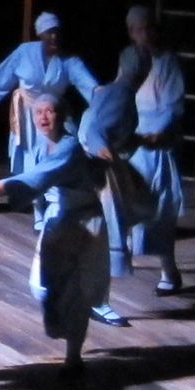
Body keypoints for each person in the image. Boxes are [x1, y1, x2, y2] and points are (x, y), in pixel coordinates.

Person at [0, 91, 109, 377]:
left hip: (83, 222)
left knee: (77, 290)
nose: (43, 117)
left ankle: (73, 357)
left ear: (62, 115)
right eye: (38, 112)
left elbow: (38, 178)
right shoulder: (42, 147)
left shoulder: (70, 147)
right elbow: (37, 185)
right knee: (42, 284)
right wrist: (39, 218)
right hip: (59, 219)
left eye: (50, 111)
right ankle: (65, 332)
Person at [0, 11, 99, 174]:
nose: (53, 37)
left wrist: (103, 95)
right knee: (29, 159)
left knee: (60, 153)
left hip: (53, 114)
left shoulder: (68, 61)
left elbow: (88, 83)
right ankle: (28, 185)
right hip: (28, 116)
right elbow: (2, 74)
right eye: (49, 33)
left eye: (56, 32)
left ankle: (58, 184)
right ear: (41, 34)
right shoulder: (25, 52)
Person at [77, 64, 156, 327]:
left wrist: (138, 140)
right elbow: (95, 131)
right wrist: (102, 150)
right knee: (102, 231)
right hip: (97, 168)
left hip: (100, 165)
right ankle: (96, 301)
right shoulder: (119, 94)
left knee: (99, 231)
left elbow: (109, 131)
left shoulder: (116, 92)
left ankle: (92, 298)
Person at [121, 5, 186, 294]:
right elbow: (120, 92)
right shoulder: (129, 58)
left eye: (148, 28)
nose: (144, 34)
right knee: (125, 200)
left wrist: (157, 134)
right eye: (138, 30)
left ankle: (169, 271)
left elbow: (173, 105)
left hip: (156, 140)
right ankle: (117, 258)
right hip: (132, 138)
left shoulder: (167, 61)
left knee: (160, 209)